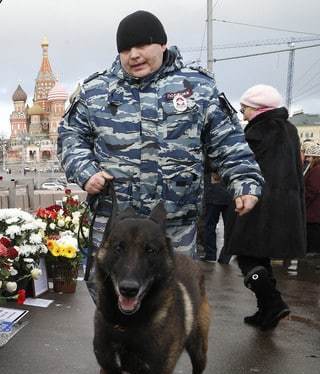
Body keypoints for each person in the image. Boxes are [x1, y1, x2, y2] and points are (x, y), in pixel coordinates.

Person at [57, 10, 263, 298]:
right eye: (126, 49)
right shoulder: (97, 91)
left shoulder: (197, 88)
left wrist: (244, 181)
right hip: (115, 221)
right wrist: (85, 170)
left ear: (163, 45)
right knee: (108, 295)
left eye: (142, 46)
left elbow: (227, 140)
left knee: (173, 296)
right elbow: (70, 137)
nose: (134, 55)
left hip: (173, 223)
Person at [223, 84, 306, 330]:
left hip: (258, 203)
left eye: (245, 108)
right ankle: (265, 310)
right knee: (260, 255)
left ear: (258, 109)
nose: (243, 114)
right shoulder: (289, 130)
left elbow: (239, 162)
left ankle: (273, 303)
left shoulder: (258, 131)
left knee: (247, 256)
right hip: (284, 205)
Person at [202, 172, 233, 262]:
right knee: (230, 228)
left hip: (214, 193)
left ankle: (210, 255)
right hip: (230, 193)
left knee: (209, 226)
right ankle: (225, 257)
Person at [305, 142, 320, 254]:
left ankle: (310, 268)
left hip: (313, 213)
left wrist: (302, 201)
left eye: (309, 157)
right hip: (314, 212)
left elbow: (312, 190)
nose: (307, 159)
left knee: (312, 247)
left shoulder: (316, 170)